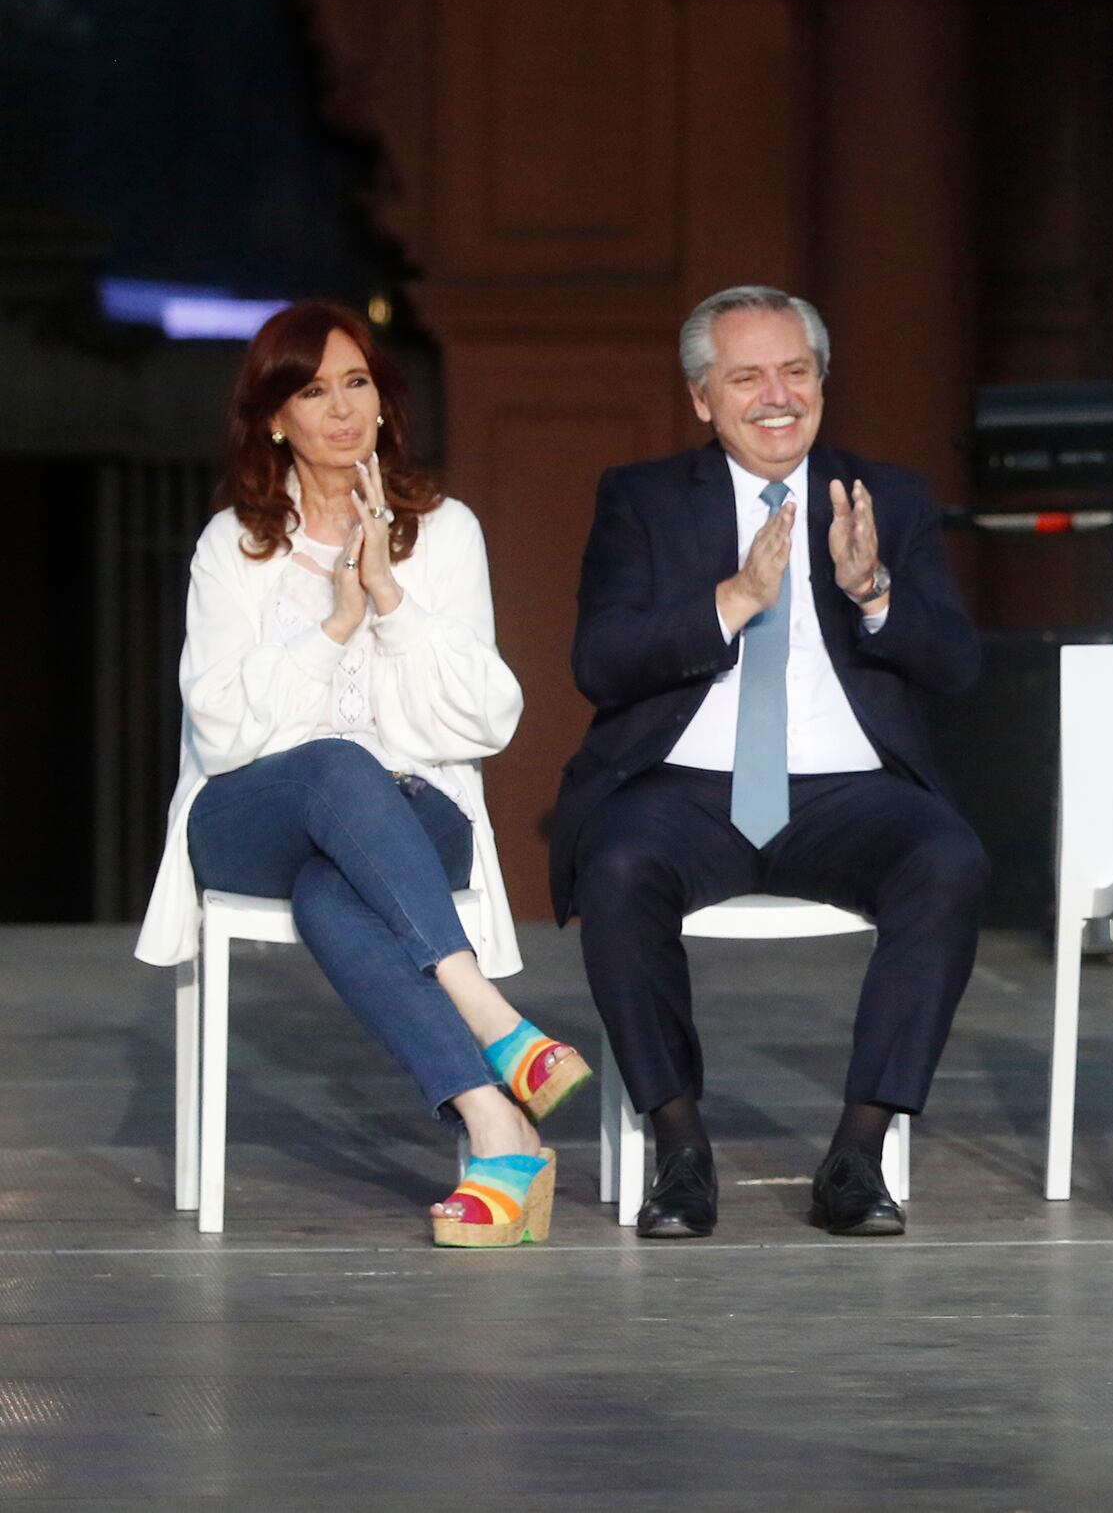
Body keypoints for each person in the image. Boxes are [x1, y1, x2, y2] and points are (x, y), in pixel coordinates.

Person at [137, 300, 587, 1248]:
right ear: (273, 417)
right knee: (337, 768)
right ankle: (495, 1020)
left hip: (409, 818)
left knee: (331, 890)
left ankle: (498, 1128)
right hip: (248, 817)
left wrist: (390, 597)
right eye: (311, 390)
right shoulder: (233, 545)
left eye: (357, 384)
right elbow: (223, 732)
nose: (341, 409)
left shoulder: (445, 532)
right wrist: (336, 621)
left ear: (384, 402)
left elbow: (485, 716)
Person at [554, 285, 986, 1241]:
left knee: (947, 857)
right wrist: (733, 598)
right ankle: (679, 1148)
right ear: (703, 399)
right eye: (746, 376)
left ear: (823, 381)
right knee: (616, 862)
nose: (776, 394)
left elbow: (958, 664)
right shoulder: (642, 498)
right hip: (685, 786)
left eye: (796, 370)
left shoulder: (887, 496)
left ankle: (858, 1153)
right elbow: (599, 661)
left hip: (849, 791)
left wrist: (870, 589)